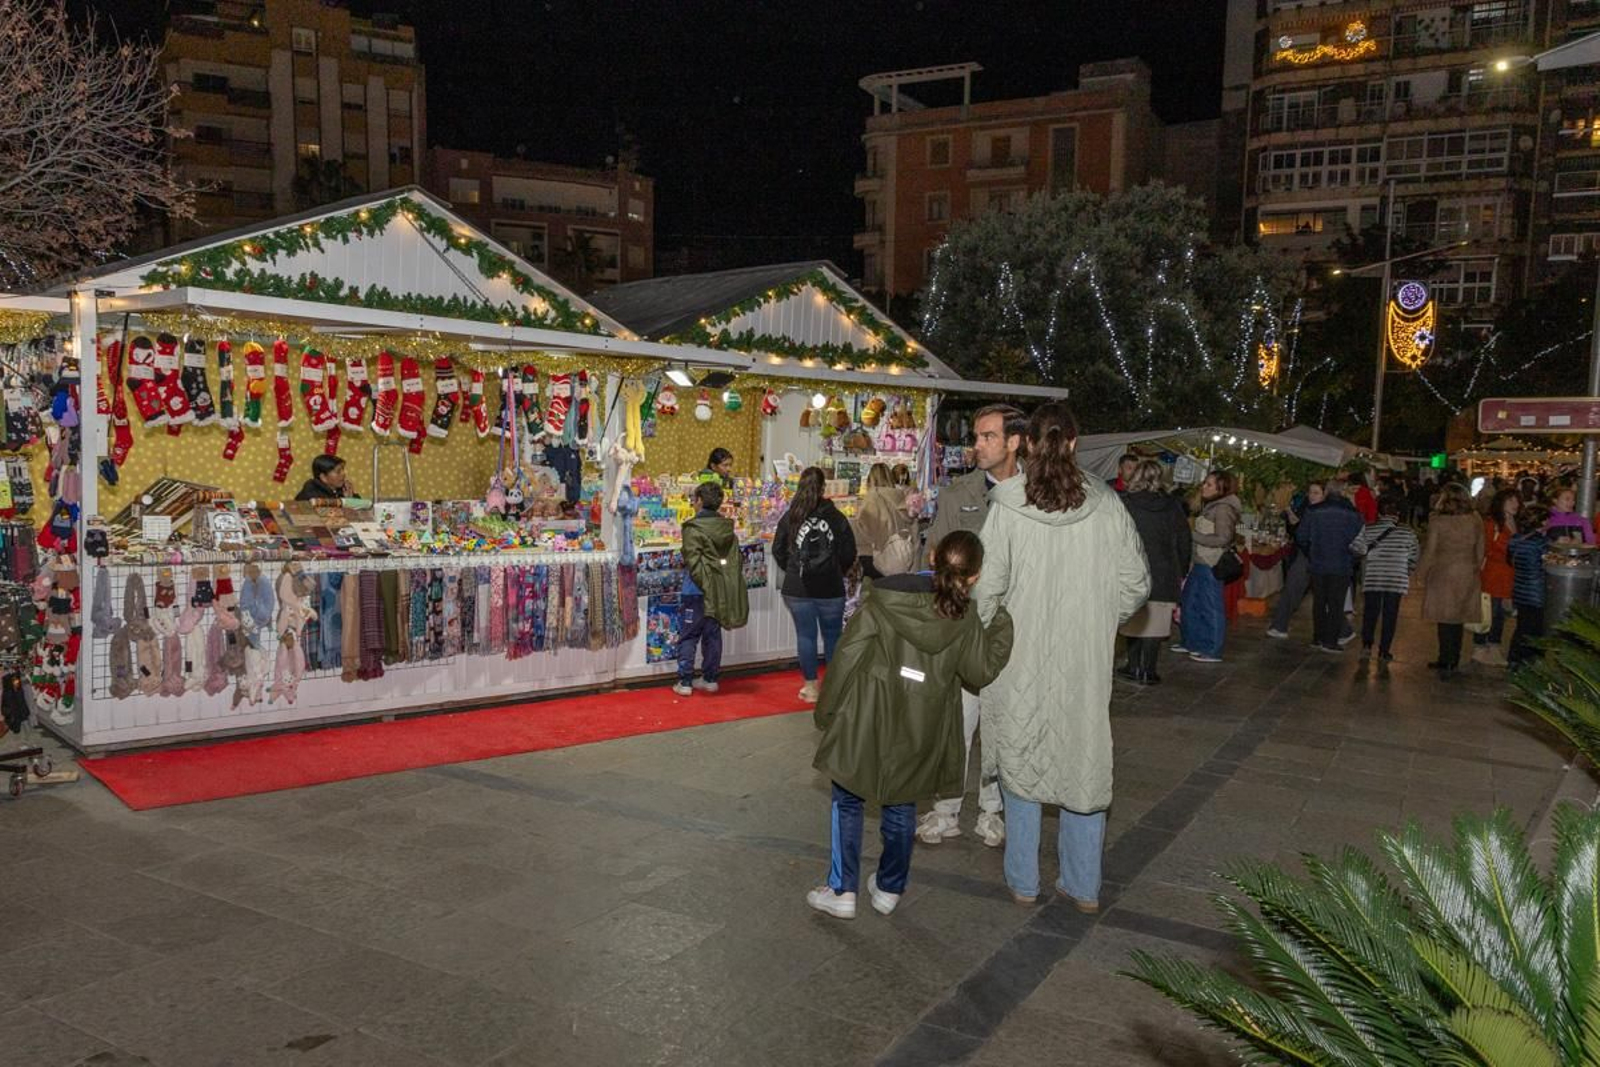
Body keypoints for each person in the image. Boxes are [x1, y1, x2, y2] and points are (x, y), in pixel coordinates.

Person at [973, 403, 1150, 912]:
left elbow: (987, 591)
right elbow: (1135, 583)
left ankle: (1024, 882)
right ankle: (1082, 884)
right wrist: (1099, 619)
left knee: (1020, 759)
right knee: (1084, 762)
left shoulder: (1006, 506)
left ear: (1026, 444)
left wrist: (988, 632)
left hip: (1018, 660)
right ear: (1074, 443)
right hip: (1083, 662)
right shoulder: (1108, 505)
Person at [805, 530, 1015, 920]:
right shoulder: (965, 620)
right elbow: (979, 671)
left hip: (867, 715)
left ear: (932, 557)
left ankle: (841, 889)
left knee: (847, 800)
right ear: (974, 576)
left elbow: (847, 658)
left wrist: (827, 711)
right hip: (924, 724)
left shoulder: (883, 601)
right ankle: (889, 887)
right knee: (902, 803)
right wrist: (1001, 625)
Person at [917, 403, 1025, 848]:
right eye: (976, 437)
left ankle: (993, 809)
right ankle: (945, 809)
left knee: (1002, 727)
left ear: (1014, 442)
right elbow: (935, 556)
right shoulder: (958, 492)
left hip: (1011, 633)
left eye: (988, 437)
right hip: (962, 631)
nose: (977, 445)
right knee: (955, 725)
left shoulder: (1036, 496)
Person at [772, 466, 857, 703]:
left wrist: (792, 569)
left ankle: (810, 688)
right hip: (830, 588)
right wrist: (836, 570)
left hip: (797, 589)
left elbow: (777, 549)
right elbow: (849, 552)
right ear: (823, 489)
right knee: (833, 637)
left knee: (806, 636)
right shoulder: (836, 517)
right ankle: (832, 688)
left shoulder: (791, 516)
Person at [1116, 459, 1190, 685]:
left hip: (1132, 567)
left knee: (1134, 616)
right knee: (1157, 620)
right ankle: (1148, 670)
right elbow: (1184, 540)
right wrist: (1183, 568)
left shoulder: (1125, 503)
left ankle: (1133, 665)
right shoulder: (1173, 505)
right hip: (1164, 569)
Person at [673, 481, 749, 697]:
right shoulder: (727, 528)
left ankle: (685, 681)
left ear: (699, 501)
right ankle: (710, 678)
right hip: (718, 590)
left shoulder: (692, 528)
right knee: (712, 635)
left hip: (695, 591)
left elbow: (693, 561)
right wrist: (716, 585)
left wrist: (705, 584)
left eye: (694, 499)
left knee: (689, 636)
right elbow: (734, 561)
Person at [1418, 482, 1486, 677]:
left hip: (1444, 573)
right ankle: (1452, 659)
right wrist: (1475, 567)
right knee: (1458, 618)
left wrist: (1421, 573)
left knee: (1444, 618)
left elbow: (1430, 550)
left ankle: (1445, 659)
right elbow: (1481, 548)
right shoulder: (1475, 519)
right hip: (1467, 572)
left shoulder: (1438, 521)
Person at [1174, 470, 1240, 664]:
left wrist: (1192, 535)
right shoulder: (1211, 505)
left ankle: (1212, 649)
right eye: (1205, 482)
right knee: (1190, 603)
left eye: (1210, 484)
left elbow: (1223, 538)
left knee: (1210, 607)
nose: (1204, 486)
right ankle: (1192, 642)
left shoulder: (1223, 508)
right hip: (1200, 562)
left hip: (1210, 563)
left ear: (1222, 489)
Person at [1295, 480, 1366, 653]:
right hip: (1341, 564)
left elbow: (1301, 536)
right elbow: (1360, 541)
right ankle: (1330, 641)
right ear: (1343, 491)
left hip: (1318, 563)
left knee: (1319, 601)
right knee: (1336, 603)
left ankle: (1317, 637)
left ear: (1326, 491)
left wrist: (1311, 552)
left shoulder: (1313, 511)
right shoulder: (1353, 513)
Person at [1350, 493, 1420, 661]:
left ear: (1379, 512)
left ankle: (1367, 645)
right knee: (1390, 614)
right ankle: (1384, 650)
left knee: (1370, 612)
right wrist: (1406, 571)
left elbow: (1357, 548)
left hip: (1373, 577)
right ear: (1397, 514)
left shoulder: (1368, 528)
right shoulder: (1408, 533)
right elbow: (1414, 556)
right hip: (1396, 579)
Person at [1473, 488, 1520, 665]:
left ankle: (1493, 646)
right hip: (1493, 573)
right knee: (1489, 612)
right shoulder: (1492, 524)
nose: (1515, 505)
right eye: (1511, 501)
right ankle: (1481, 646)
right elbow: (1486, 548)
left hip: (1509, 575)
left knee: (1500, 614)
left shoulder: (1515, 523)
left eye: (1516, 501)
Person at [1507, 503, 1551, 668]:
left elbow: (1510, 560)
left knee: (1522, 626)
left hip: (1519, 589)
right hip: (1537, 591)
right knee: (1535, 629)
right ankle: (1526, 661)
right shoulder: (1541, 543)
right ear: (1541, 523)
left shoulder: (1515, 539)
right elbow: (1547, 563)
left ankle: (1514, 659)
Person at [855, 463, 915, 580]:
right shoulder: (901, 497)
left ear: (871, 478)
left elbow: (865, 530)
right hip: (900, 558)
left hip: (876, 558)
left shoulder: (873, 497)